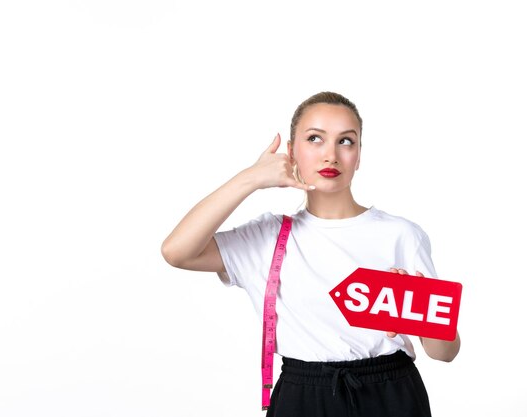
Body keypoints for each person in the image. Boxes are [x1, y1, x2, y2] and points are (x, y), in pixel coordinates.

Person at [161, 91, 460, 416]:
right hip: (302, 397)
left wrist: (415, 310)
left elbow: (445, 353)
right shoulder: (266, 238)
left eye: (346, 141)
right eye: (315, 138)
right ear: (292, 151)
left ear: (358, 155)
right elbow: (178, 251)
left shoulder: (401, 235)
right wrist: (251, 178)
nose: (331, 155)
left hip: (391, 394)